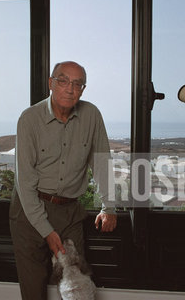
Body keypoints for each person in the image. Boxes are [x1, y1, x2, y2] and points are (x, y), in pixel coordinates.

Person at [9, 61, 117, 300]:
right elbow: (25, 184)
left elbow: (101, 163)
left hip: (69, 212)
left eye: (78, 84)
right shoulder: (29, 119)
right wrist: (47, 231)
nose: (70, 88)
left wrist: (108, 206)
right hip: (29, 211)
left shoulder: (92, 115)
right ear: (51, 83)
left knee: (78, 288)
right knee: (33, 289)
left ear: (83, 89)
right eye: (63, 81)